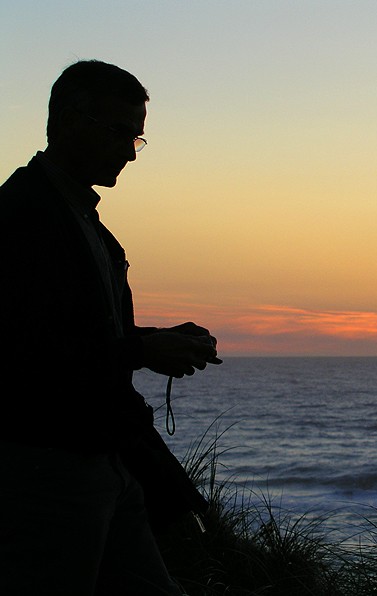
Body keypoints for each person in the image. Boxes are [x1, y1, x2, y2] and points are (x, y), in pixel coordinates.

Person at [0, 60, 220, 595]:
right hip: (48, 465)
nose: (128, 151)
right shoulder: (21, 217)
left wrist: (152, 339)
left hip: (99, 457)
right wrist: (143, 351)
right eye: (120, 132)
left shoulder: (78, 218)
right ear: (69, 121)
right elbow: (26, 353)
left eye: (136, 137)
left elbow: (80, 333)